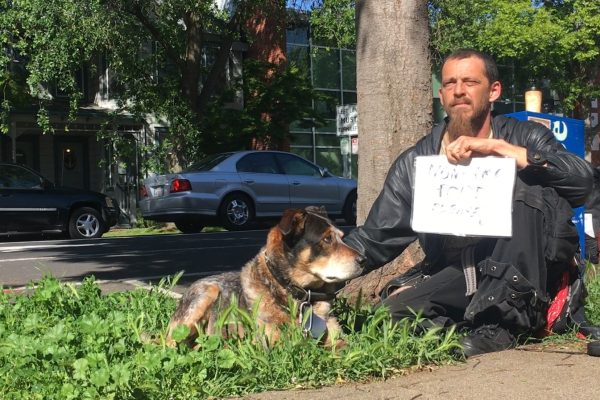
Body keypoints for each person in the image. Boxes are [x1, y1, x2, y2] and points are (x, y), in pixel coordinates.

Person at [343, 49, 593, 357]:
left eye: (470, 81)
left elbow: (582, 182)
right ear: (441, 93)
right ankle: (475, 324)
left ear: (493, 91)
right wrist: (307, 266)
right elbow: (375, 237)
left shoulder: (525, 136)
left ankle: (504, 324)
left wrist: (506, 152)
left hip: (524, 276)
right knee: (387, 317)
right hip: (460, 273)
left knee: (526, 184)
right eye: (450, 83)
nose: (459, 90)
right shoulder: (417, 161)